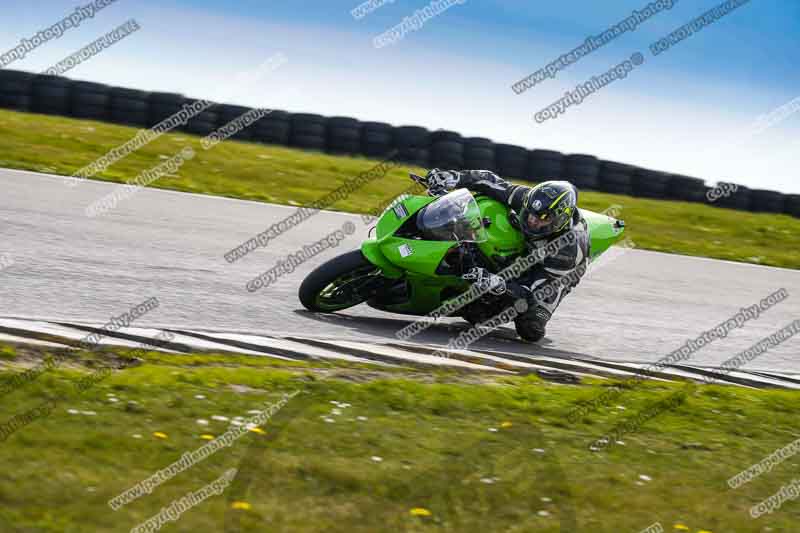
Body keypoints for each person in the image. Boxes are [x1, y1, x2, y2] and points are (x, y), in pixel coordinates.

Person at [425, 168, 590, 341]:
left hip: (556, 275)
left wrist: (493, 282)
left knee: (531, 329)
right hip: (532, 246)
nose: (532, 221)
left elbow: (530, 293)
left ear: (560, 220)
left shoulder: (567, 251)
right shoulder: (530, 200)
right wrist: (453, 177)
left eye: (543, 219)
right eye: (531, 214)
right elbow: (489, 181)